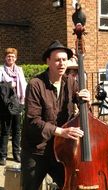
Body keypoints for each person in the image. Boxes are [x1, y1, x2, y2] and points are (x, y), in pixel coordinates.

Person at [21, 40, 91, 190]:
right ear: (48, 61)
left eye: (64, 60)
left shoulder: (71, 82)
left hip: (60, 149)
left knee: (69, 186)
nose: (61, 64)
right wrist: (61, 131)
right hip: (36, 150)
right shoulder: (35, 84)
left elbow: (87, 116)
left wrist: (86, 102)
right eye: (57, 60)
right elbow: (33, 120)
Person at [0, 48, 27, 165]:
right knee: (5, 131)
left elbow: (24, 85)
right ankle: (3, 156)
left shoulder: (19, 70)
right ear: (5, 58)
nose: (10, 58)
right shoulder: (1, 70)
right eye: (8, 56)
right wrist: (10, 84)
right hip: (5, 104)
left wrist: (23, 100)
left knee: (17, 130)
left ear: (16, 58)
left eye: (12, 56)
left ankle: (17, 154)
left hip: (18, 103)